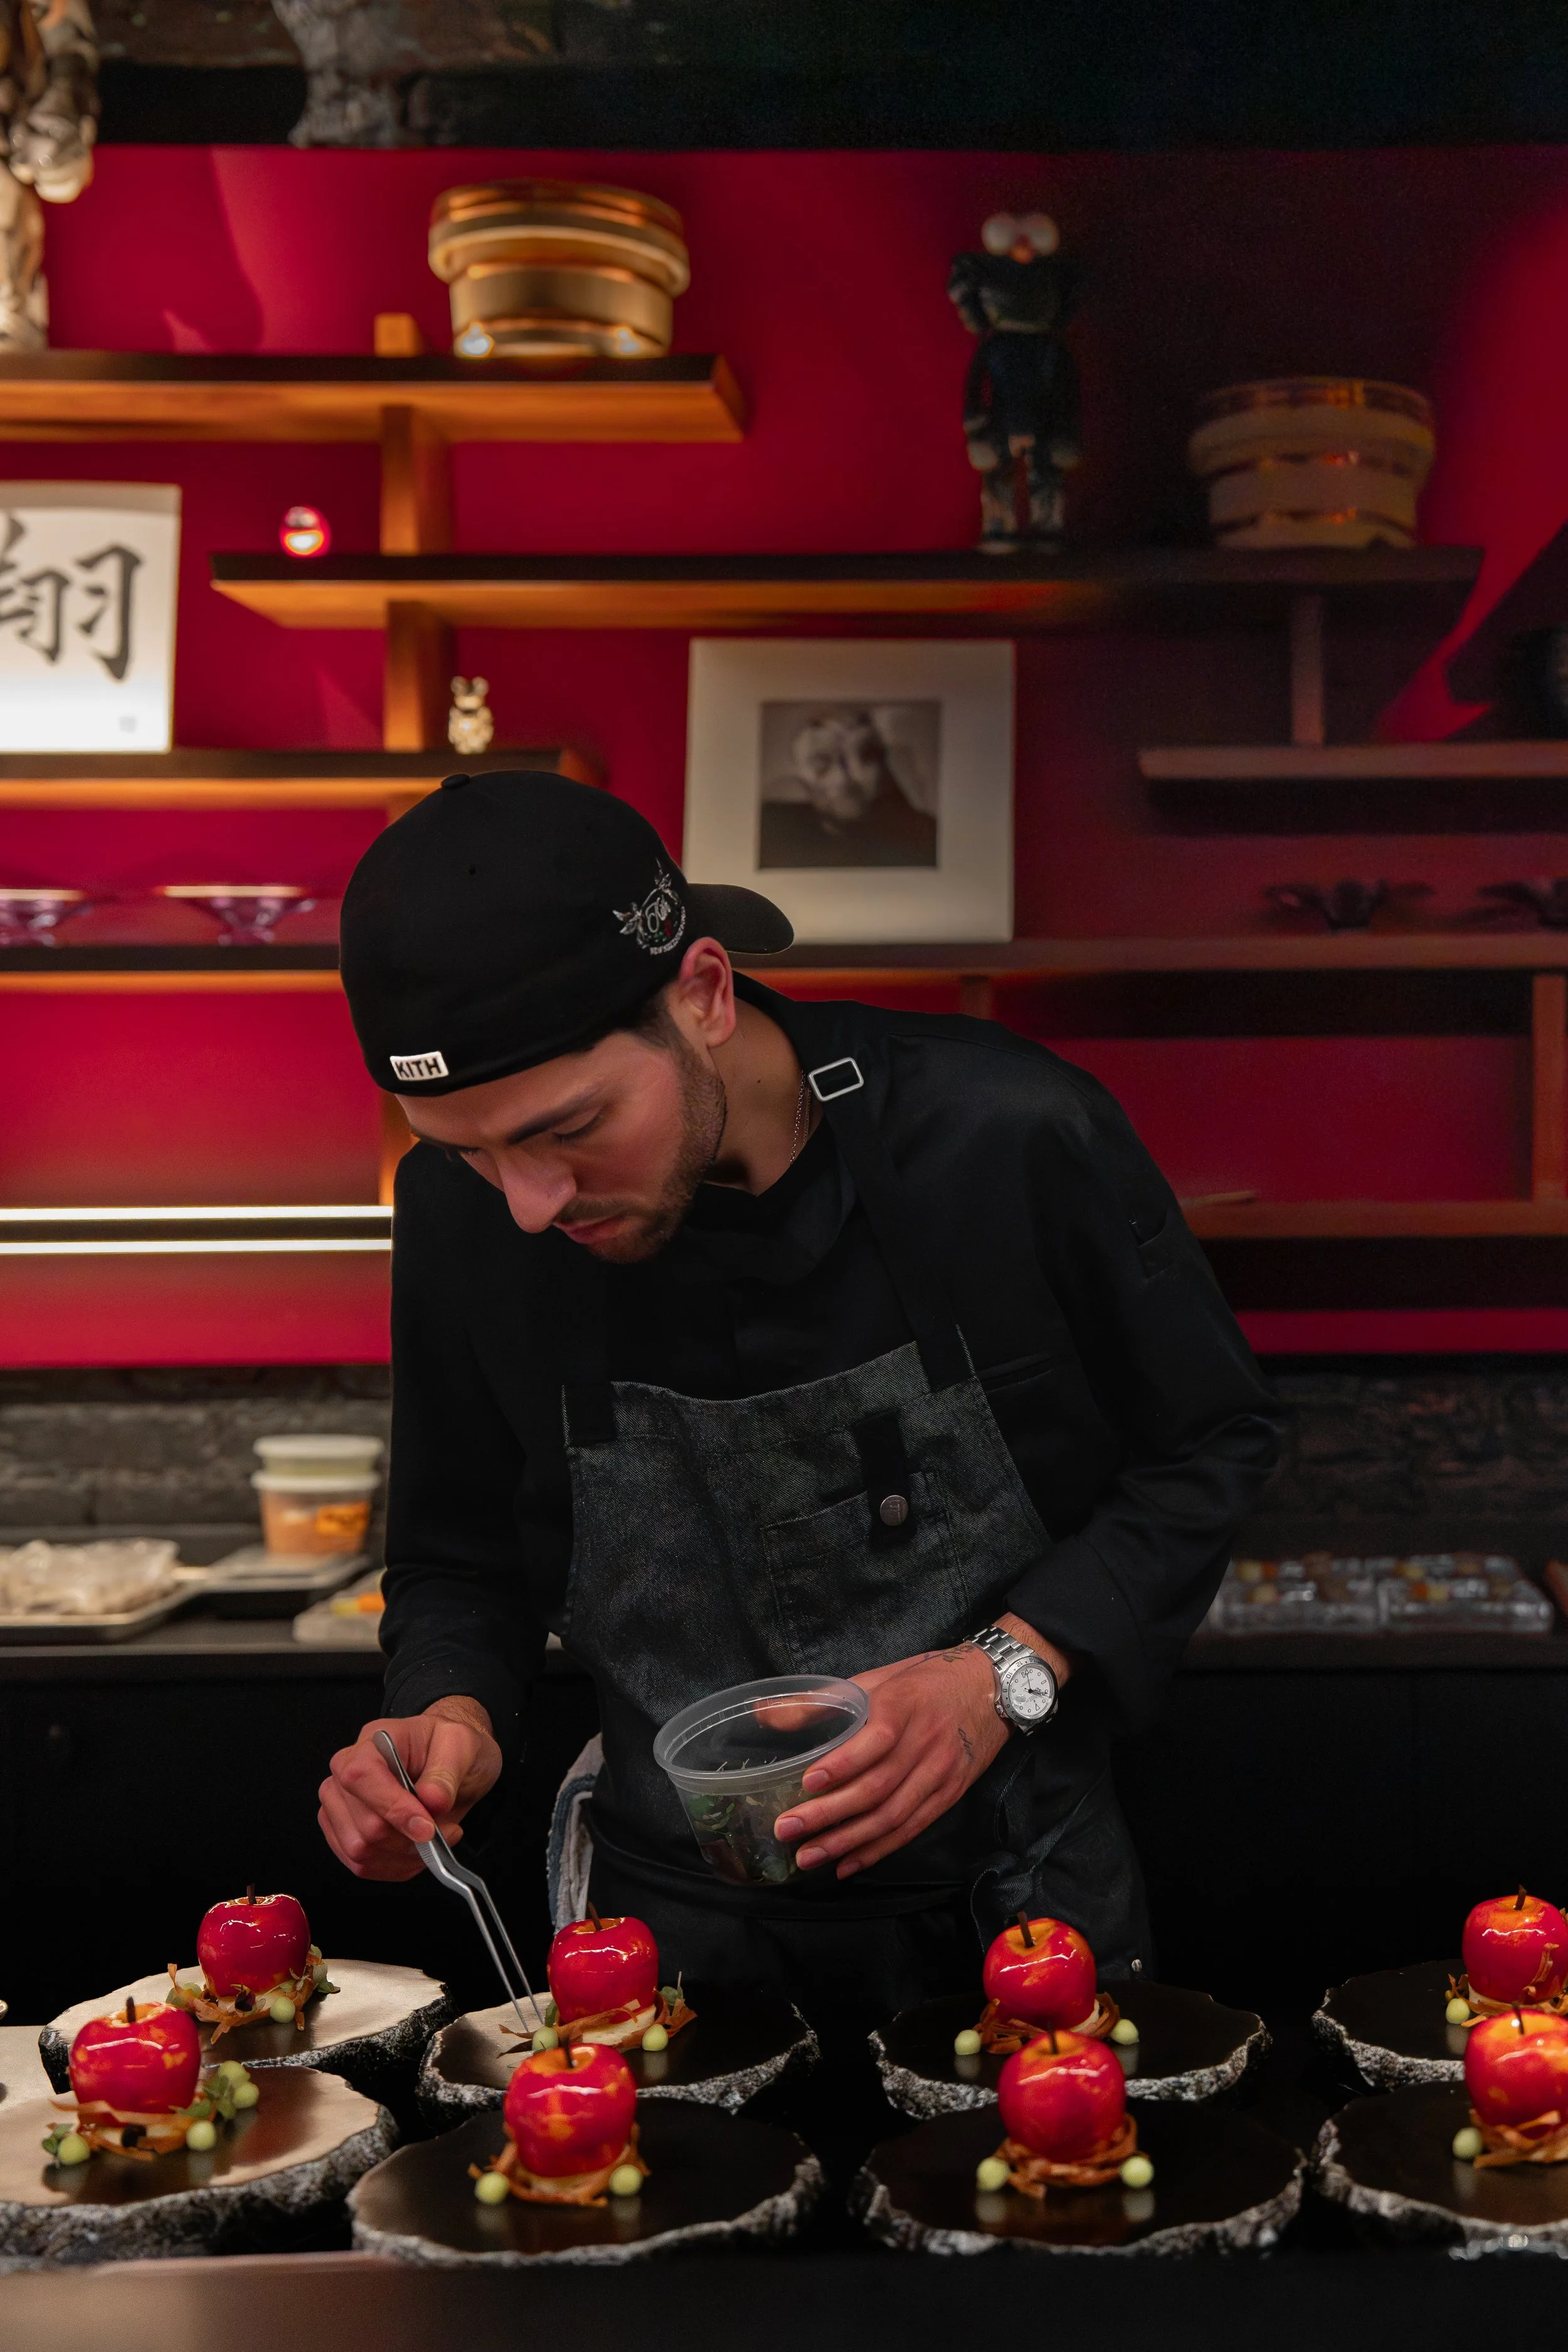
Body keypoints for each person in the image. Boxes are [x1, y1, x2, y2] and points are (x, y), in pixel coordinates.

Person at [319, 771, 1281, 2012]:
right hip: (658, 1948)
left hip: (1019, 1917)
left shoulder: (1002, 1134)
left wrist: (1003, 1668)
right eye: (464, 1150)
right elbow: (459, 1556)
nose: (528, 1203)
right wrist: (444, 1715)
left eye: (570, 1128)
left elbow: (1210, 1442)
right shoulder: (466, 1220)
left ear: (703, 996)